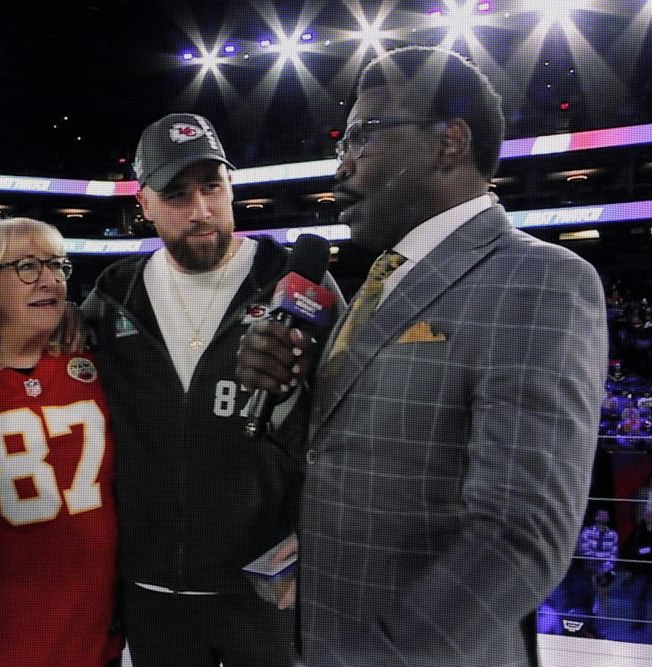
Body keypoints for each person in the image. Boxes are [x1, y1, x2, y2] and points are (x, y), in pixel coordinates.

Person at [237, 45, 607, 666]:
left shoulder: (538, 279)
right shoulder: (382, 283)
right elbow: (338, 452)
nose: (342, 167)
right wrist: (282, 395)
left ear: (448, 142)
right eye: (340, 146)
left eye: (361, 137)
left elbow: (521, 538)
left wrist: (384, 651)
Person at [81, 112, 343, 666]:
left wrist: (320, 537)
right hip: (153, 588)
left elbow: (349, 423)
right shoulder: (113, 295)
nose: (200, 210)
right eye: (176, 193)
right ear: (143, 203)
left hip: (268, 585)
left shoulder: (294, 282)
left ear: (231, 186)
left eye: (211, 186)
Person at [0, 217, 122, 667]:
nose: (49, 278)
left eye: (57, 265)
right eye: (27, 266)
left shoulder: (96, 360)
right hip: (6, 634)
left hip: (96, 633)